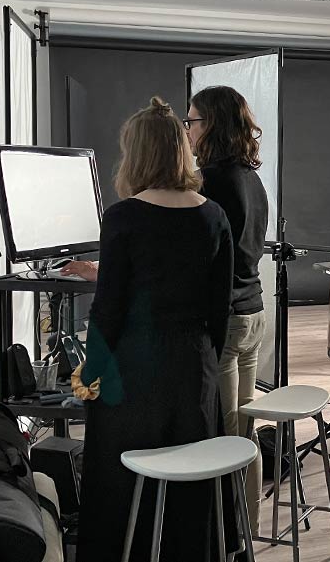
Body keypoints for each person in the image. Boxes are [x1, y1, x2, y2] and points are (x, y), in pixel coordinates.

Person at [76, 96, 235, 561]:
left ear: (137, 154)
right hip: (194, 369)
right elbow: (220, 310)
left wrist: (89, 375)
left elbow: (108, 309)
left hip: (133, 370)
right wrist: (204, 363)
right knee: (193, 478)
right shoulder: (213, 215)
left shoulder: (123, 216)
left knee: (120, 478)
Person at [186, 85, 270, 537]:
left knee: (228, 434)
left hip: (230, 319)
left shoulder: (212, 181)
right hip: (253, 314)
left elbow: (206, 257)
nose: (187, 130)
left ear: (211, 124)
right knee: (244, 430)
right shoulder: (251, 178)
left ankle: (228, 537)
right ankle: (247, 530)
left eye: (192, 121)